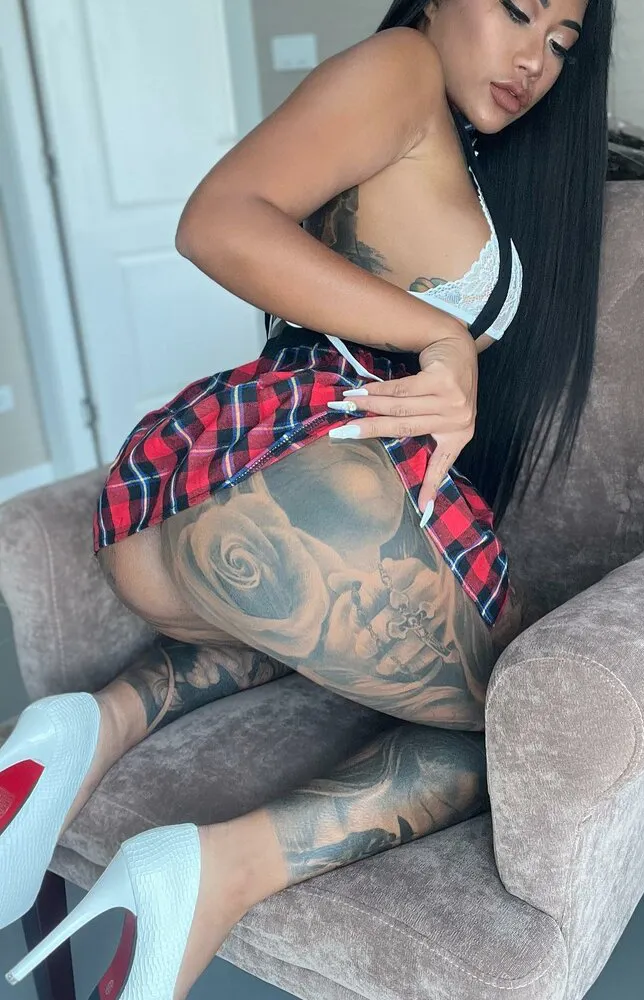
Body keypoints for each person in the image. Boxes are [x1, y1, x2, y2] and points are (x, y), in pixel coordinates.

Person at [1, 1, 612, 996]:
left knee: (315, 634)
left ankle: (91, 726)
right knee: (532, 723)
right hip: (309, 481)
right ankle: (219, 870)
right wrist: (443, 336)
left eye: (560, 43)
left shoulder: (444, 134)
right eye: (516, 10)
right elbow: (218, 219)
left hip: (191, 504)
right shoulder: (403, 66)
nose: (533, 58)